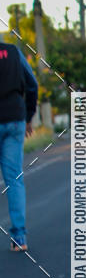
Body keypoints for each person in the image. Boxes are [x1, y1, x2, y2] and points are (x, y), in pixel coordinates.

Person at [0, 42, 38, 251]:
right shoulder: (13, 51)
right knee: (14, 179)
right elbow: (32, 83)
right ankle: (19, 238)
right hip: (15, 118)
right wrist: (29, 116)